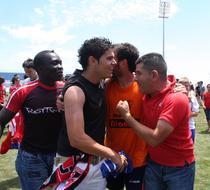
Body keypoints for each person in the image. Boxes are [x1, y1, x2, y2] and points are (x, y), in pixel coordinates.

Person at [53, 37, 127, 190]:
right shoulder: (75, 90)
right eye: (109, 58)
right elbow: (77, 139)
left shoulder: (100, 83)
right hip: (73, 166)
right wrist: (112, 154)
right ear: (93, 60)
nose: (114, 62)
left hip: (95, 164)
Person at [116, 53, 195, 190]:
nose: (135, 79)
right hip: (153, 165)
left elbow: (155, 139)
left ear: (153, 75)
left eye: (139, 74)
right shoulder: (147, 94)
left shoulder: (176, 99)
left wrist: (127, 116)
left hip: (178, 170)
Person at [0, 50, 64, 190]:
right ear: (39, 69)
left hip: (61, 156)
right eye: (54, 63)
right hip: (32, 157)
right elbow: (1, 120)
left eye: (60, 63)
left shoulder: (68, 90)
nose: (60, 66)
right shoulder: (23, 92)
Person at [105, 43, 147, 190]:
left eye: (113, 59)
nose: (110, 63)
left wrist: (177, 88)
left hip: (138, 160)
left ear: (122, 63)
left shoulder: (144, 88)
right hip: (112, 158)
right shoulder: (106, 86)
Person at [179, 77, 199, 143]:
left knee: (189, 149)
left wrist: (183, 115)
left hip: (190, 127)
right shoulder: (174, 97)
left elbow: (196, 113)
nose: (185, 87)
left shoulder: (193, 98)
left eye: (187, 85)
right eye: (183, 85)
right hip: (177, 128)